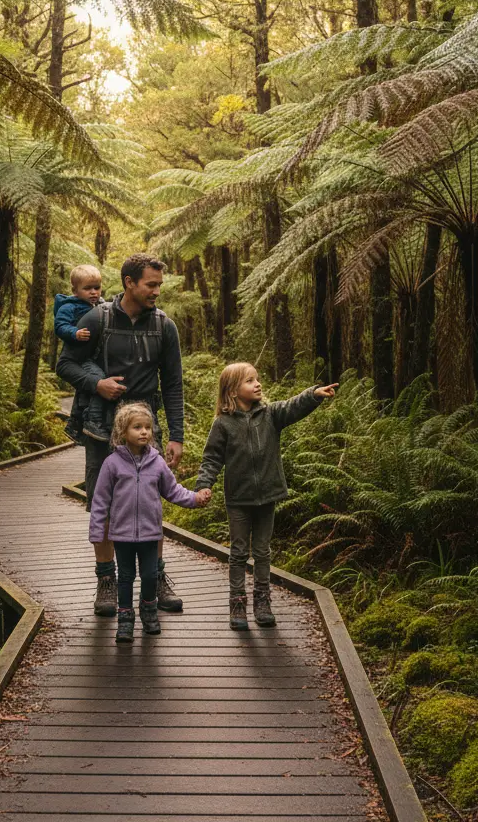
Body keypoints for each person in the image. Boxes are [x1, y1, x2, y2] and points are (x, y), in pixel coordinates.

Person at [57, 253, 187, 617]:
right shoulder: (96, 319)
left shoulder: (164, 327)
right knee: (102, 505)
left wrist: (176, 435)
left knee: (150, 503)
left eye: (159, 285)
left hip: (146, 429)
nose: (156, 292)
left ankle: (155, 580)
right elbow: (65, 364)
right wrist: (96, 383)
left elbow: (173, 384)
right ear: (129, 283)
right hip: (102, 428)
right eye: (151, 284)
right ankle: (106, 581)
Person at [196, 363, 337, 631]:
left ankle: (262, 601)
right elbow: (211, 458)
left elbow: (293, 406)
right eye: (250, 381)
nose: (258, 384)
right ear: (232, 391)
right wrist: (204, 485)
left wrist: (313, 394)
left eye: (257, 379)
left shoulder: (270, 415)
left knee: (262, 552)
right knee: (238, 552)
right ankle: (237, 603)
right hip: (238, 499)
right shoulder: (223, 424)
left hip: (267, 496)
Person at [89, 403, 211, 643]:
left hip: (150, 534)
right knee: (125, 577)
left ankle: (149, 612)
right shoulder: (112, 464)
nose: (144, 431)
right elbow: (100, 501)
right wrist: (96, 531)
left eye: (147, 427)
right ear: (123, 432)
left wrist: (195, 499)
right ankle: (125, 620)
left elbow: (173, 491)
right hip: (122, 536)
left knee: (150, 575)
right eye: (137, 427)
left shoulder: (157, 463)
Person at [52, 264, 109, 442]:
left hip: (94, 355)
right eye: (87, 288)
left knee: (84, 390)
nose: (93, 292)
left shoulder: (100, 305)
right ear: (75, 291)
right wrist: (74, 333)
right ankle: (93, 421)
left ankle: (74, 423)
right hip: (80, 356)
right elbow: (60, 326)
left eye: (97, 288)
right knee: (98, 380)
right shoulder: (69, 307)